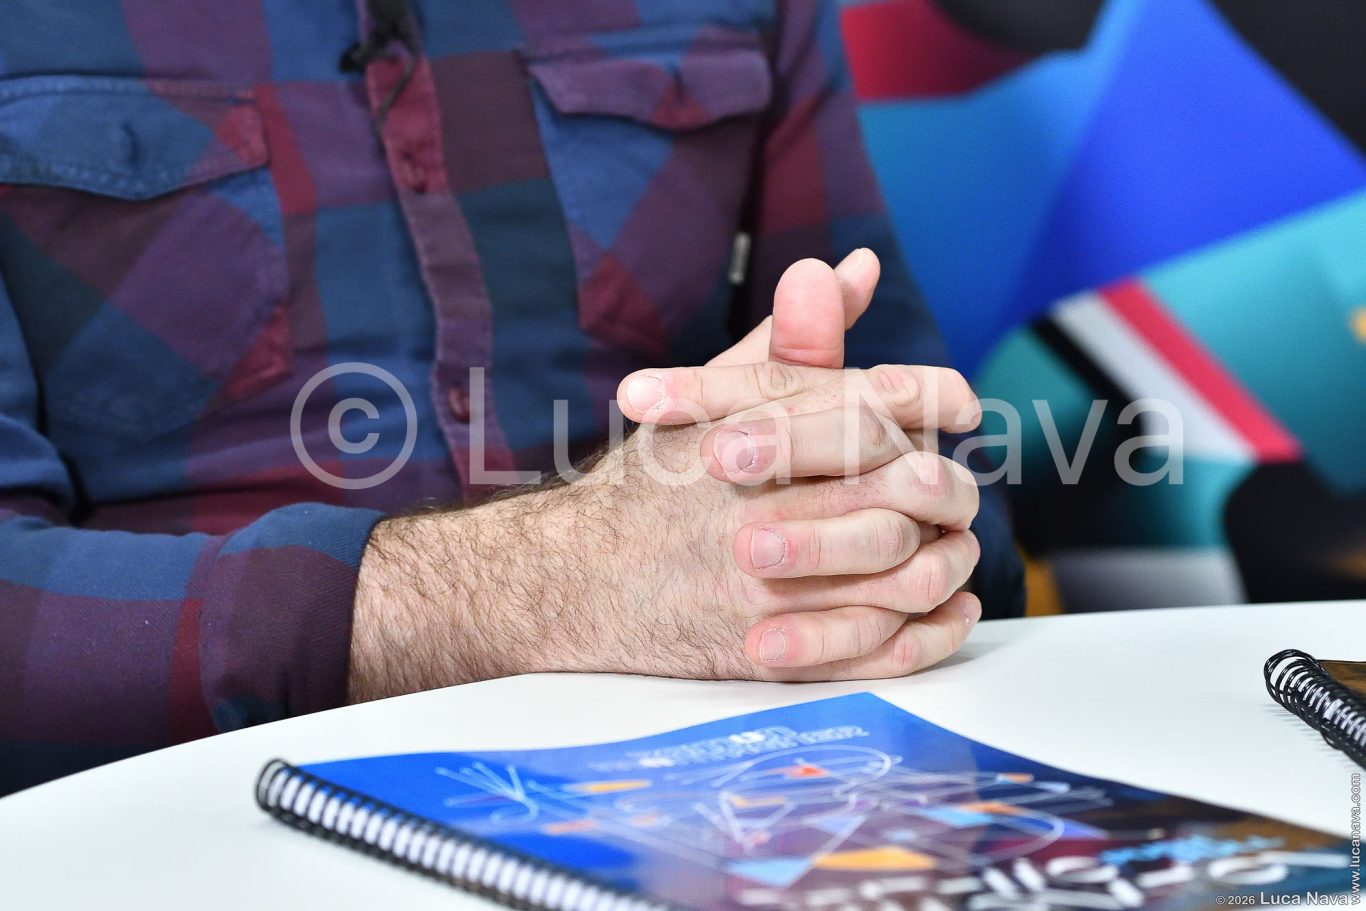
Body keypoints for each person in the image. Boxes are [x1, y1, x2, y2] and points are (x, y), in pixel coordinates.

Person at [0, 0, 1023, 794]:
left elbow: (935, 458)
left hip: (730, 769)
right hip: (179, 802)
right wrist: (536, 585)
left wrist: (850, 512)